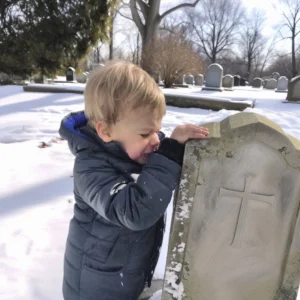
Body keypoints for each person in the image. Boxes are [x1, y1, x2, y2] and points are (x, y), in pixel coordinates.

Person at [59, 61, 209, 300]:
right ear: (105, 132)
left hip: (123, 276)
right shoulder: (90, 168)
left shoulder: (130, 151)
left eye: (157, 131)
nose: (156, 140)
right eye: (145, 133)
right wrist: (167, 156)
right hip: (94, 289)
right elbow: (134, 211)